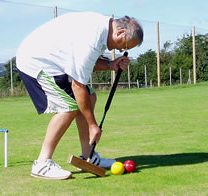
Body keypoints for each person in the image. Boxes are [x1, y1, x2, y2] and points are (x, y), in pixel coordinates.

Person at [16, 12, 143, 180]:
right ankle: (42, 163)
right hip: (35, 61)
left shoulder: (101, 30)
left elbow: (85, 61)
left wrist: (110, 65)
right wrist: (92, 125)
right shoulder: (93, 37)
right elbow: (78, 85)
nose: (121, 49)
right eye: (125, 45)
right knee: (68, 106)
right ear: (120, 33)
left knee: (89, 97)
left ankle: (88, 156)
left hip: (50, 61)